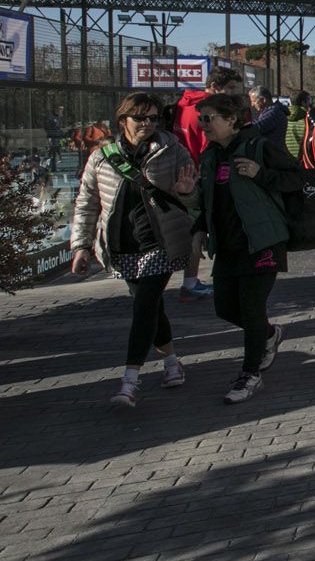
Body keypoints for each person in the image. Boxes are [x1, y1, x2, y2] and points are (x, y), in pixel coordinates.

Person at [69, 93, 198, 408]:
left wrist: (188, 191)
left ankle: (129, 380)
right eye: (141, 118)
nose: (148, 124)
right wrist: (81, 246)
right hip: (121, 247)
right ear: (122, 120)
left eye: (154, 118)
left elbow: (196, 198)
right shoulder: (101, 157)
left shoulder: (173, 151)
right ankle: (171, 362)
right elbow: (87, 204)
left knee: (143, 308)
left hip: (161, 243)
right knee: (151, 308)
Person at [176, 93, 300, 404]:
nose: (202, 125)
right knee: (225, 308)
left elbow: (296, 177)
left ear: (231, 120)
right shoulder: (210, 156)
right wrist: (191, 200)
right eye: (200, 118)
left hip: (262, 242)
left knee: (250, 307)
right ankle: (269, 335)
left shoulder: (258, 146)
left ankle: (250, 373)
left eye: (209, 118)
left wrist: (261, 174)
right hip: (227, 245)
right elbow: (206, 200)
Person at [173, 65, 244, 302]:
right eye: (231, 88)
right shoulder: (207, 112)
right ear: (214, 87)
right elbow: (211, 147)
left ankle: (191, 281)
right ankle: (190, 282)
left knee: (195, 226)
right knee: (199, 228)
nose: (235, 94)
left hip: (186, 175)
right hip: (198, 176)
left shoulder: (184, 105)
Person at [284, 90, 311, 161]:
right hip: (303, 161)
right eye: (309, 100)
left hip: (286, 160)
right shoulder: (307, 121)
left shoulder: (283, 119)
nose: (310, 103)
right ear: (303, 102)